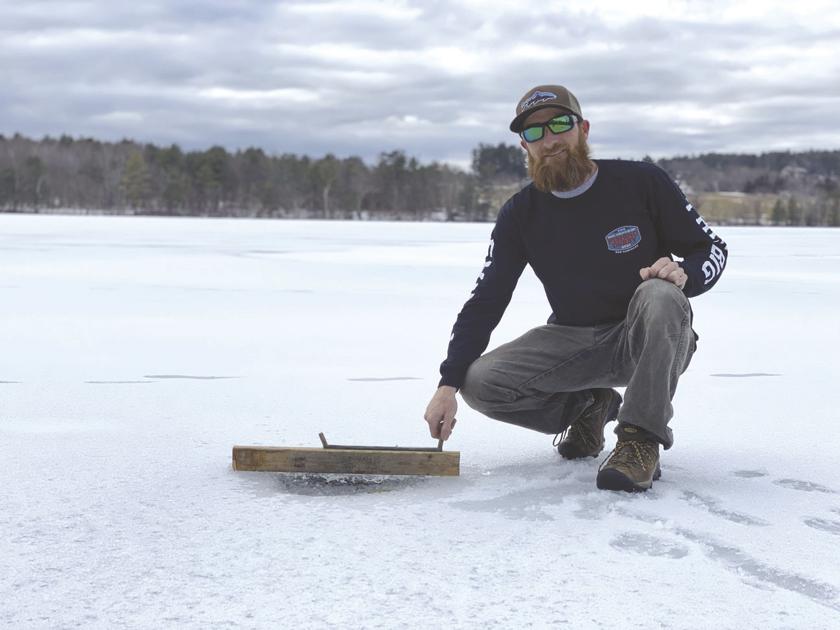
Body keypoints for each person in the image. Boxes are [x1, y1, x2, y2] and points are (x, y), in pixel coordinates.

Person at [423, 84, 728, 492]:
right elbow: (486, 299)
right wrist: (448, 384)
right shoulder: (520, 214)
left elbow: (711, 247)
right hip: (576, 340)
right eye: (535, 133)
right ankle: (590, 405)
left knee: (659, 292)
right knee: (480, 383)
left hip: (651, 334)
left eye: (560, 125)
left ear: (583, 129)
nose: (549, 140)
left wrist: (686, 272)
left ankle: (640, 442)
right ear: (524, 147)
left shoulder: (641, 182)